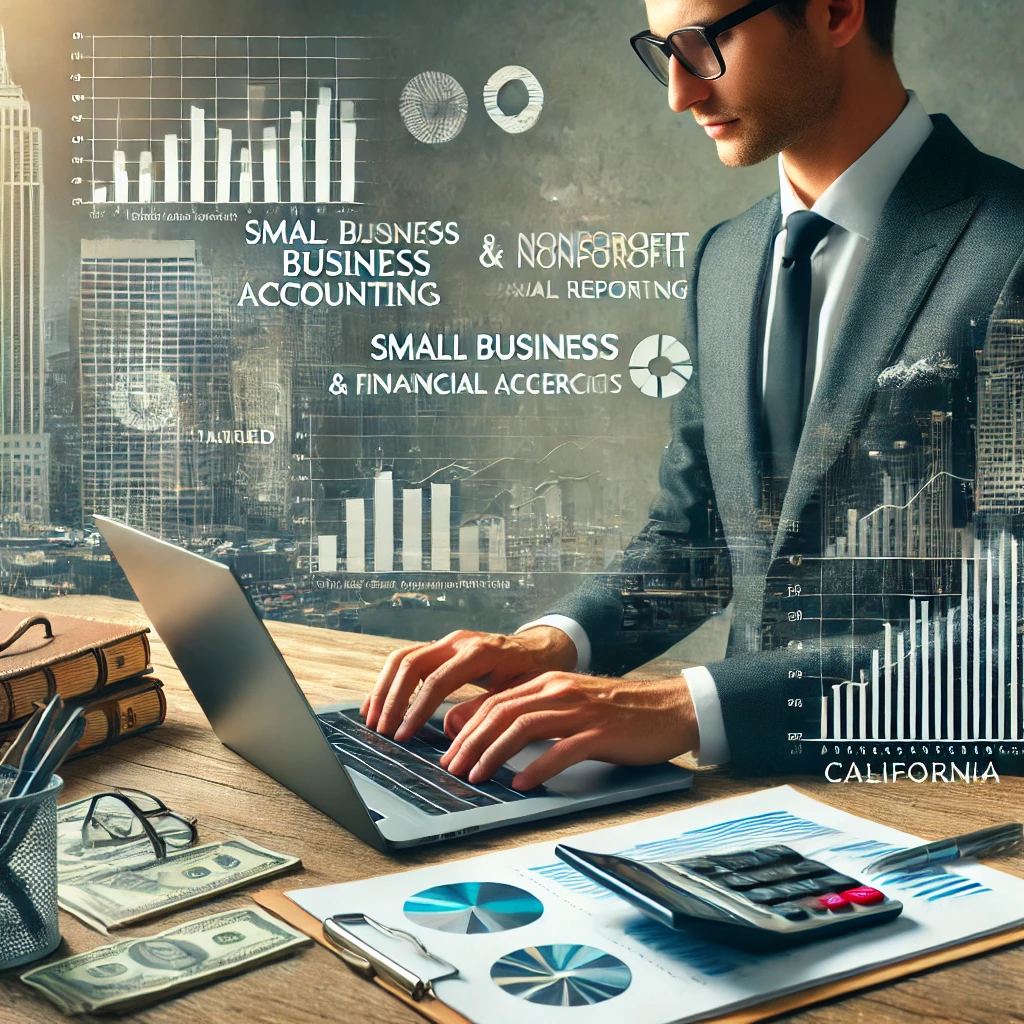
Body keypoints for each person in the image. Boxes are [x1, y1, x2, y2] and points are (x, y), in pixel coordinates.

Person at [362, 0, 1024, 786]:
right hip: (738, 806)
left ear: (838, 11)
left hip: (954, 812)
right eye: (662, 49)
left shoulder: (1010, 250)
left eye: (707, 43)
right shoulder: (729, 258)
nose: (679, 92)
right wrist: (553, 642)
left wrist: (687, 708)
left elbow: (1009, 641)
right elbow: (698, 538)